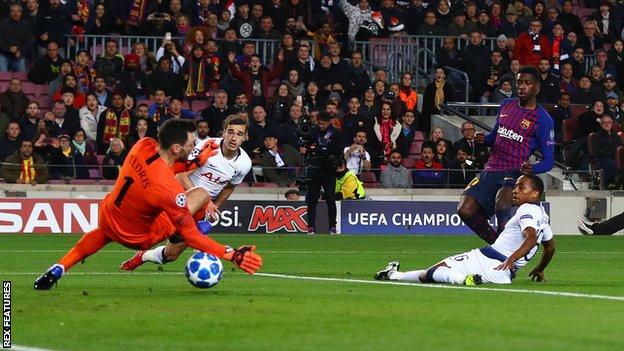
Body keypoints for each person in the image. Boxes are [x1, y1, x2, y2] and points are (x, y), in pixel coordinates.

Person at [34, 119, 262, 290]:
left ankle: (60, 267)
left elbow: (162, 164)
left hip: (110, 214)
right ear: (176, 148)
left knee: (104, 233)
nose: (195, 148)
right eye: (191, 145)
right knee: (200, 196)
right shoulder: (170, 191)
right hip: (139, 237)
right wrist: (232, 254)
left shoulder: (142, 145)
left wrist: (189, 162)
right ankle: (182, 230)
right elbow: (192, 236)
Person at [119, 116, 253, 271]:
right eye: (230, 132)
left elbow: (230, 187)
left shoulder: (244, 163)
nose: (233, 138)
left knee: (170, 255)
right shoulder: (207, 146)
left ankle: (142, 256)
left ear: (245, 137)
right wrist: (205, 201)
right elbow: (181, 175)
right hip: (181, 194)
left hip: (201, 207)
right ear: (224, 133)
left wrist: (215, 206)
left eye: (239, 134)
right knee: (178, 231)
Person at [375, 175, 555, 286]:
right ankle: (392, 274)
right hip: (503, 274)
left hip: (488, 260)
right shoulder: (542, 217)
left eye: (521, 188)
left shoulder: (526, 209)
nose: (515, 191)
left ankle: (464, 280)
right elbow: (550, 247)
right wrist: (539, 269)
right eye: (515, 186)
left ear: (535, 194)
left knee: (433, 272)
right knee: (433, 272)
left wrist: (512, 258)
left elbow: (530, 238)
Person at [457, 66, 555, 244]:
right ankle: (498, 245)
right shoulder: (506, 105)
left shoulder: (543, 119)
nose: (522, 87)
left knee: (502, 204)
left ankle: (504, 252)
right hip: (492, 167)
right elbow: (495, 137)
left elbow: (549, 161)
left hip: (514, 171)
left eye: (527, 83)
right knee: (465, 209)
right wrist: (483, 140)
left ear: (537, 88)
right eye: (519, 83)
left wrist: (533, 168)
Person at [302, 111, 343, 235]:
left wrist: (320, 149)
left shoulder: (335, 132)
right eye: (319, 123)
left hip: (329, 170)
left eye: (323, 124)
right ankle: (311, 227)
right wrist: (306, 149)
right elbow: (307, 146)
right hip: (314, 169)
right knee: (312, 199)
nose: (321, 126)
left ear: (329, 122)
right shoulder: (313, 131)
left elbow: (337, 149)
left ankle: (332, 226)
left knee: (330, 199)